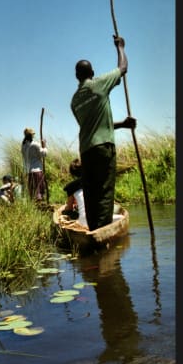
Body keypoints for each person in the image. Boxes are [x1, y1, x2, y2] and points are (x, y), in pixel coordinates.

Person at [71, 36, 136, 231]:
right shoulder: (98, 84)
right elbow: (123, 68)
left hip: (86, 150)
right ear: (92, 72)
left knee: (91, 192)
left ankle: (93, 229)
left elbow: (93, 126)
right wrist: (121, 48)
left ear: (77, 77)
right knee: (105, 189)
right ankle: (104, 231)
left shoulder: (74, 101)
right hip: (103, 148)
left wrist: (122, 124)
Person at [21, 127, 47, 201]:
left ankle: (36, 208)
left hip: (29, 172)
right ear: (32, 135)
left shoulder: (23, 146)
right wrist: (44, 146)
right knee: (39, 193)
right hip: (37, 171)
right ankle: (41, 207)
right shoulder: (35, 144)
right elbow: (44, 154)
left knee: (33, 193)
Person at [63, 158, 88, 228]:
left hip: (85, 222)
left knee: (66, 212)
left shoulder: (71, 187)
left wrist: (66, 208)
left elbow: (69, 208)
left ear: (72, 174)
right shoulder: (94, 180)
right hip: (102, 218)